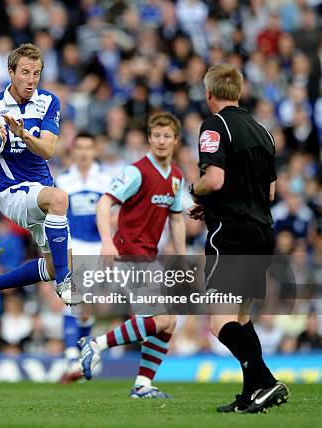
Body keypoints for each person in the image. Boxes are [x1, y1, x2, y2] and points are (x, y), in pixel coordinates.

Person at [187, 63, 289, 413]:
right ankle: (251, 394)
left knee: (220, 322)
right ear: (240, 92)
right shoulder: (264, 131)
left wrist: (196, 192)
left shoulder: (215, 125)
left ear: (209, 94)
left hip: (231, 234)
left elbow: (213, 180)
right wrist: (217, 202)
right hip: (262, 231)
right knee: (242, 318)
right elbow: (270, 191)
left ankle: (268, 382)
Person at [0, 43, 81, 312]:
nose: (31, 80)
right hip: (11, 191)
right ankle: (65, 282)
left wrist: (23, 134)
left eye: (36, 74)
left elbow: (48, 149)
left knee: (55, 263)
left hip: (39, 191)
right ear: (11, 72)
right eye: (25, 72)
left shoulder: (48, 101)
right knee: (60, 199)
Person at [78, 112, 186, 399]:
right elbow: (105, 203)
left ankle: (142, 384)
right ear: (150, 139)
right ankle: (96, 344)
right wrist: (106, 242)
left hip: (149, 256)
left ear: (176, 140)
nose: (161, 141)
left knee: (168, 322)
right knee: (163, 320)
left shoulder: (176, 176)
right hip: (128, 252)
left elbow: (176, 219)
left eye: (167, 136)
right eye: (157, 136)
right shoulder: (136, 171)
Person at [55, 133, 110, 380]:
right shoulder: (63, 180)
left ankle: (81, 354)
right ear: (73, 151)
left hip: (99, 246)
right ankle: (70, 357)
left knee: (88, 309)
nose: (84, 152)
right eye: (79, 147)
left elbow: (115, 213)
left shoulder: (106, 179)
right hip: (74, 244)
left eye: (88, 147)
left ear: (95, 150)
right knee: (72, 301)